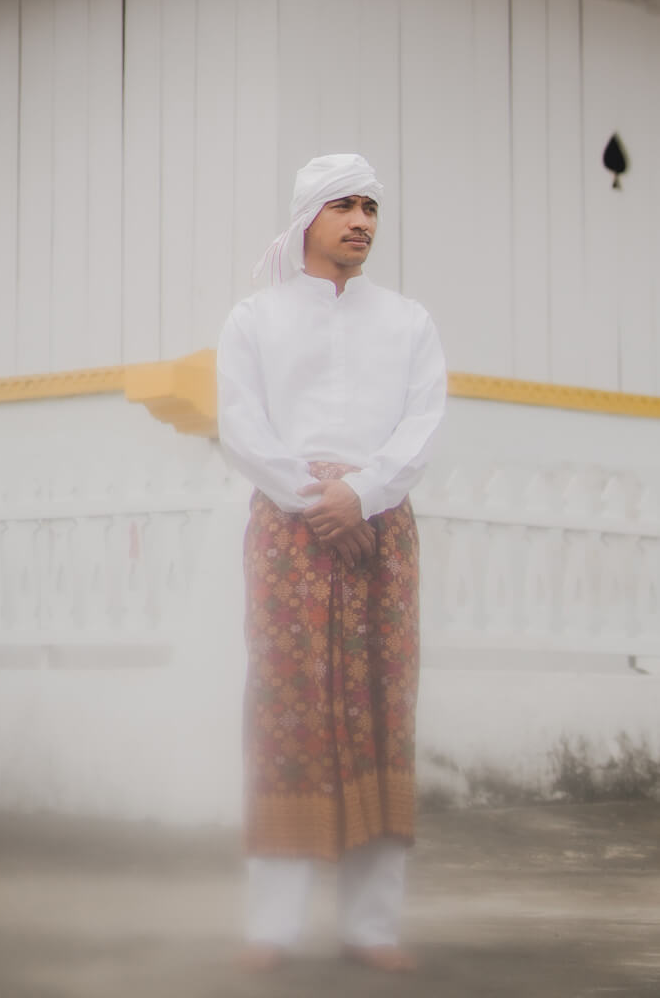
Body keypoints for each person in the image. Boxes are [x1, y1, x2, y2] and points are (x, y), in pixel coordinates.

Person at [216, 153, 447, 972]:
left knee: (381, 711)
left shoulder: (408, 321)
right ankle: (273, 926)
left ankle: (371, 927)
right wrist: (318, 501)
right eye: (343, 205)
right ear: (305, 216)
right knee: (288, 711)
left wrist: (365, 494)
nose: (360, 221)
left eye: (370, 207)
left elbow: (422, 422)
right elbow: (242, 425)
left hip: (381, 532)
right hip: (290, 534)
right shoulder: (255, 318)